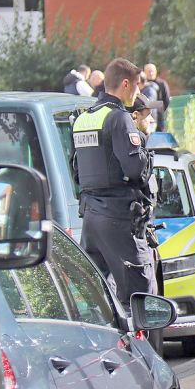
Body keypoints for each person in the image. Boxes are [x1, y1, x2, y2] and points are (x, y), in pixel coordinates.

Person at [72, 58, 158, 312]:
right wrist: (143, 144)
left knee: (97, 297)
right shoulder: (119, 118)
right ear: (124, 84)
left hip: (90, 217)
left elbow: (76, 171)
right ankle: (142, 350)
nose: (138, 93)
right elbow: (136, 170)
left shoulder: (84, 119)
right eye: (136, 87)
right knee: (141, 297)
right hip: (118, 218)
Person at [144, 63, 172, 132]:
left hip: (159, 118)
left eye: (152, 71)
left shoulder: (162, 84)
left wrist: (159, 110)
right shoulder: (142, 84)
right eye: (148, 71)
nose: (151, 73)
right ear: (144, 72)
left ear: (156, 72)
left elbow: (166, 100)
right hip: (145, 118)